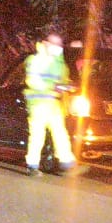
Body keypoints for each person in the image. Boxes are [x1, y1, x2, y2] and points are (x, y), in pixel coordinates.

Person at [23, 31, 76, 175]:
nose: (58, 47)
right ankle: (32, 165)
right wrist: (53, 86)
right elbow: (32, 80)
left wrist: (68, 85)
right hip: (38, 103)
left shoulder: (60, 63)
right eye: (54, 44)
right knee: (37, 135)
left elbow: (64, 80)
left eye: (59, 44)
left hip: (54, 103)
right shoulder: (35, 60)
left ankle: (66, 162)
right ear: (45, 43)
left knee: (60, 133)